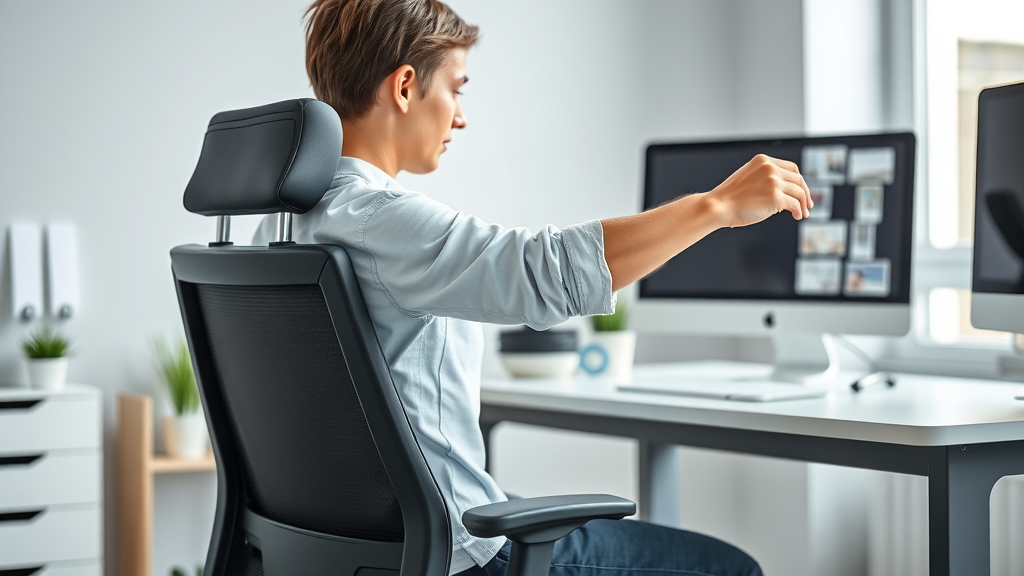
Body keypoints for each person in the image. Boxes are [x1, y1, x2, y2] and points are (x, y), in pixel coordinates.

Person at [256, 1, 813, 575]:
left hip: (359, 546)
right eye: (456, 89)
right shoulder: (380, 219)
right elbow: (542, 273)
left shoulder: (281, 226)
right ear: (403, 87)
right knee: (731, 569)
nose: (460, 117)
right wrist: (714, 206)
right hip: (454, 553)